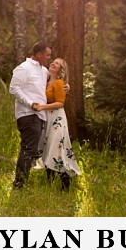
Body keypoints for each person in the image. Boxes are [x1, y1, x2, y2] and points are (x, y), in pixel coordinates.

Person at [8, 41, 52, 190]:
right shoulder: (23, 68)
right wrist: (30, 103)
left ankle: (23, 181)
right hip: (28, 114)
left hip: (40, 116)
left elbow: (52, 84)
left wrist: (67, 86)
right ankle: (19, 185)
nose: (48, 58)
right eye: (47, 55)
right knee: (28, 148)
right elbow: (14, 89)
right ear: (39, 54)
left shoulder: (44, 71)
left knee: (33, 149)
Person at [32, 58, 81, 191]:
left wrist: (42, 107)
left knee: (57, 148)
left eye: (57, 63)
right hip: (47, 118)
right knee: (47, 148)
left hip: (57, 119)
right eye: (53, 61)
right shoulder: (46, 81)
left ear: (61, 69)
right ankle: (50, 182)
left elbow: (60, 103)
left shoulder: (59, 83)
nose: (53, 63)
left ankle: (66, 183)